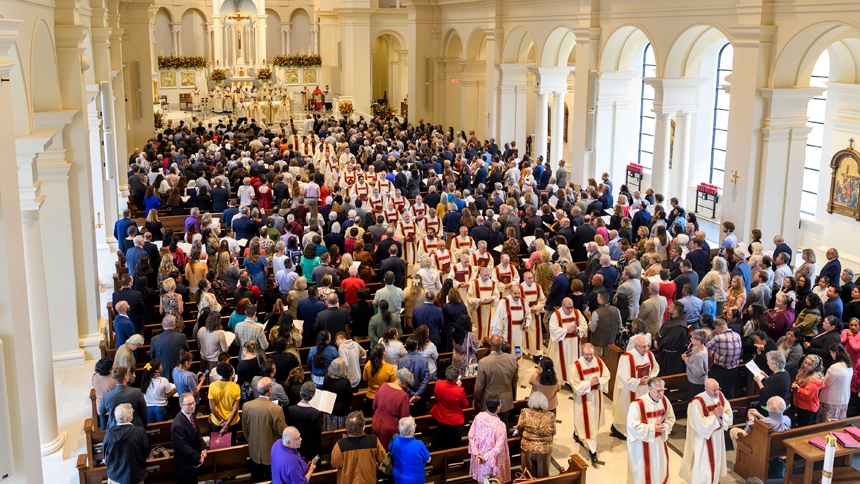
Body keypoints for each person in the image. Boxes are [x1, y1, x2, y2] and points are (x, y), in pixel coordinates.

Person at [679, 379, 733, 484]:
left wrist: (722, 416)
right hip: (703, 439)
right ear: (706, 389)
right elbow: (698, 424)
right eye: (714, 390)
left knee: (716, 462)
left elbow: (729, 414)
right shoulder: (697, 402)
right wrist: (715, 417)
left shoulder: (720, 396)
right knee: (703, 464)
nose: (717, 392)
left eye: (718, 389)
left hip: (717, 436)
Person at [627, 377, 676, 484]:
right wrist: (653, 428)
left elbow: (671, 417)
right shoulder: (637, 404)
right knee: (643, 473)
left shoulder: (664, 400)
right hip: (642, 445)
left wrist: (665, 426)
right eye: (658, 391)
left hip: (659, 443)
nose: (661, 393)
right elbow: (633, 426)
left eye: (663, 390)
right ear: (649, 389)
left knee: (660, 468)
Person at [611, 335, 659, 440]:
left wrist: (650, 377)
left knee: (641, 410)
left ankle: (639, 428)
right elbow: (623, 377)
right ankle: (619, 430)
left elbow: (655, 368)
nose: (646, 349)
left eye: (647, 346)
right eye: (643, 347)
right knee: (626, 411)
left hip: (644, 390)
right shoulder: (627, 358)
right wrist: (638, 381)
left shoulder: (650, 355)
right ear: (635, 346)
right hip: (629, 391)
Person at [570, 343, 610, 466]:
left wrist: (599, 382)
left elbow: (606, 375)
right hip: (583, 399)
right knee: (586, 423)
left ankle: (578, 434)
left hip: (596, 397)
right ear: (582, 353)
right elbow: (574, 383)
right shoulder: (576, 365)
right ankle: (593, 451)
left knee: (592, 423)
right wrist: (589, 383)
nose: (589, 357)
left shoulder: (598, 361)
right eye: (586, 354)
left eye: (591, 354)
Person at [242, 377, 288, 482]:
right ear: (270, 390)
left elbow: (245, 428)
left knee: (256, 479)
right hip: (271, 451)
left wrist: (251, 441)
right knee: (273, 479)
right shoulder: (276, 409)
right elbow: (282, 431)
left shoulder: (246, 406)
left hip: (254, 450)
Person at [331, 411, 387, 484]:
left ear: (347, 427)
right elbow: (382, 457)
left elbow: (335, 464)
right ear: (363, 427)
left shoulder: (340, 444)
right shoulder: (373, 440)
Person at [474, 334, 519, 423]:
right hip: (505, 403)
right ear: (502, 345)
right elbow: (515, 379)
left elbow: (479, 387)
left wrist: (476, 401)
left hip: (489, 404)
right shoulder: (512, 359)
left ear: (490, 345)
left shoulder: (484, 362)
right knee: (502, 429)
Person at [468, 393, 511, 483]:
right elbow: (498, 448)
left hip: (480, 454)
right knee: (492, 480)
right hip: (492, 458)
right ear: (498, 407)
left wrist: (477, 454)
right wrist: (484, 457)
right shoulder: (501, 425)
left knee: (482, 480)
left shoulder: (479, 416)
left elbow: (471, 436)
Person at [103, 403, 150, 484]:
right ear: (129, 418)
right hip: (135, 474)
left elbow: (105, 453)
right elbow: (146, 451)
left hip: (115, 475)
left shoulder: (109, 433)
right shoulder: (139, 432)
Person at [546, 297, 587, 385]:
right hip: (561, 345)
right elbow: (553, 329)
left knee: (573, 362)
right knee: (561, 365)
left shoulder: (576, 312)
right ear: (562, 305)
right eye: (568, 307)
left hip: (574, 345)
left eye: (571, 307)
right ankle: (562, 380)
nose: (570, 310)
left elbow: (584, 324)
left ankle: (572, 380)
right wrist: (566, 331)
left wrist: (577, 330)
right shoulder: (556, 315)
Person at [516, 392, 556, 478]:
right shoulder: (551, 415)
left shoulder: (525, 412)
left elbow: (519, 427)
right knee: (543, 477)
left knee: (528, 475)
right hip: (545, 449)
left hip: (527, 448)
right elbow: (553, 432)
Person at [372, 367, 413, 449]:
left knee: (376, 447)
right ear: (404, 383)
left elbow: (374, 405)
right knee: (387, 450)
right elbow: (404, 418)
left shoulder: (383, 385)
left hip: (376, 420)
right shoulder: (403, 395)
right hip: (390, 425)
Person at [429, 365, 469, 449]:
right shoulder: (459, 390)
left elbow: (437, 398)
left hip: (440, 418)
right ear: (457, 378)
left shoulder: (438, 384)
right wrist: (458, 387)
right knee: (454, 445)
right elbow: (465, 405)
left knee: (442, 443)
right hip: (455, 422)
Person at [706, 318, 742, 399]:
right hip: (733, 369)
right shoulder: (737, 335)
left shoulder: (719, 337)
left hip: (720, 369)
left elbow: (707, 347)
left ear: (717, 328)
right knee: (727, 391)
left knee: (714, 390)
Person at [389, 416, 432, 483]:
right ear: (411, 432)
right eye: (414, 425)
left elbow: (391, 451)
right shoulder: (419, 445)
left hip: (399, 477)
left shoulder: (396, 439)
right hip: (415, 480)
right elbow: (428, 459)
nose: (416, 425)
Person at [286, 382, 322, 461]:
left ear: (300, 392)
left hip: (294, 445)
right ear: (313, 396)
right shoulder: (315, 413)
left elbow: (288, 427)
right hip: (310, 448)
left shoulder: (291, 410)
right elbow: (317, 433)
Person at [150, 314, 190, 382]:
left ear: (162, 324)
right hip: (178, 371)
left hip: (161, 371)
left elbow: (152, 356)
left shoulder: (154, 339)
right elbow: (187, 351)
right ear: (174, 325)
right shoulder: (181, 337)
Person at [209, 362, 241, 443]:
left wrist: (222, 422)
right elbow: (235, 409)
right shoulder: (236, 387)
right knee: (231, 443)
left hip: (217, 421)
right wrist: (227, 425)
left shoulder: (212, 386)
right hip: (232, 421)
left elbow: (212, 407)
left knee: (219, 443)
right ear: (231, 374)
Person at [820, 343, 854, 421]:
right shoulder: (849, 365)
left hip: (832, 399)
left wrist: (820, 374)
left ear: (835, 352)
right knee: (839, 421)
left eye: (831, 353)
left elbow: (824, 383)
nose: (831, 355)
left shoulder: (834, 368)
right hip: (844, 398)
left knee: (828, 422)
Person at [397, 337, 431, 415]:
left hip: (407, 394)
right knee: (421, 416)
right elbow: (426, 380)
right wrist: (417, 394)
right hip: (420, 394)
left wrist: (412, 394)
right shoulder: (424, 360)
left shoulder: (401, 361)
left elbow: (401, 380)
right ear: (417, 347)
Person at [655, 301, 688, 376]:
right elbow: (662, 330)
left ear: (675, 311)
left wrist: (659, 344)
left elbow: (670, 341)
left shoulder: (679, 327)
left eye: (671, 306)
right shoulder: (671, 319)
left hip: (671, 357)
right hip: (664, 353)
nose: (668, 306)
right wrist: (656, 338)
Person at [753, 351, 792, 415]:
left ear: (774, 365)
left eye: (768, 361)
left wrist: (758, 381)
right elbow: (776, 386)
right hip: (783, 405)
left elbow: (766, 394)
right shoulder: (784, 373)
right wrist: (766, 376)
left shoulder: (776, 378)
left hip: (773, 410)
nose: (767, 363)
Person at [791, 354, 826, 427]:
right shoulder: (805, 372)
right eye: (805, 363)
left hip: (807, 407)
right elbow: (798, 381)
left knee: (804, 426)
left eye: (809, 364)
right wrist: (795, 384)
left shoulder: (814, 379)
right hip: (801, 404)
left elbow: (807, 395)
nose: (806, 366)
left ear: (815, 366)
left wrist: (797, 388)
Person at [321, 358, 353, 431]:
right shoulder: (345, 382)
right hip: (341, 412)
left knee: (329, 432)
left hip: (329, 410)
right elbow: (350, 398)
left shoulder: (326, 378)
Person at [683, 330, 710, 397]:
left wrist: (686, 361)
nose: (691, 339)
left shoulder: (699, 355)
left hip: (697, 382)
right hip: (698, 381)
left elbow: (697, 373)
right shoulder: (700, 347)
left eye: (693, 338)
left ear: (698, 341)